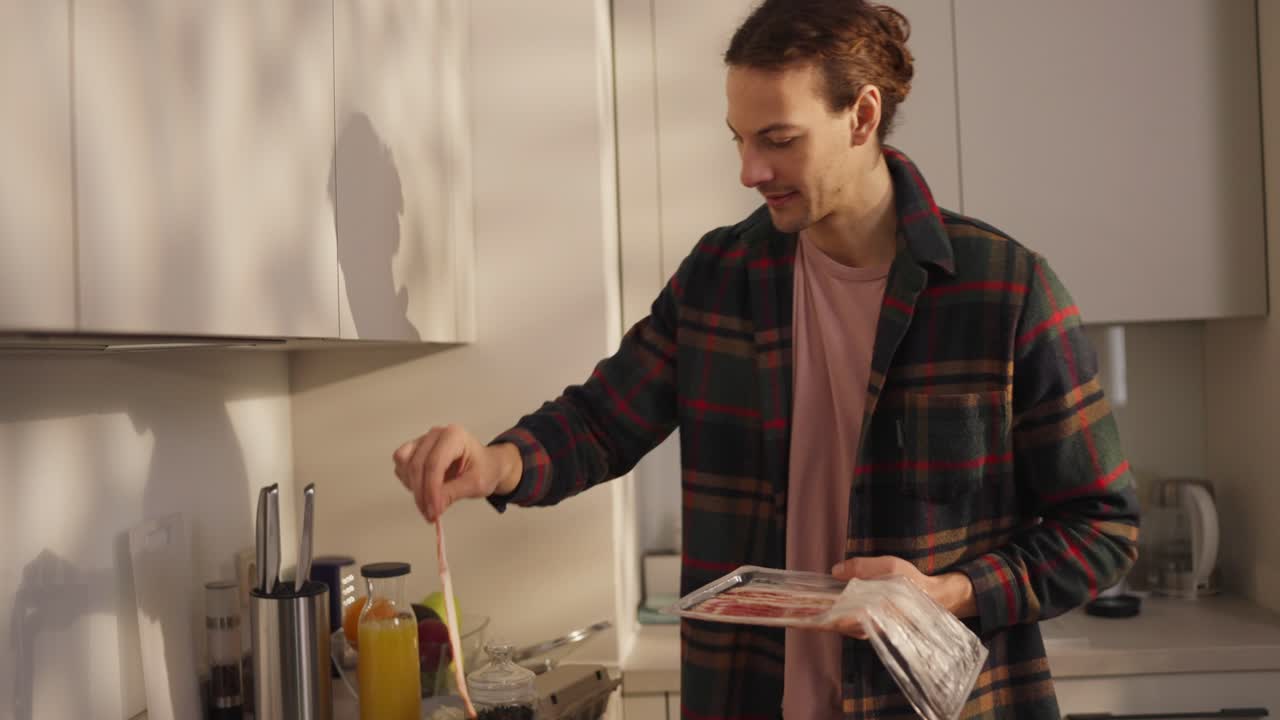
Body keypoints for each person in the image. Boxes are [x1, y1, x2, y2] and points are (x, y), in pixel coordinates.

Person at [393, 1, 1140, 717]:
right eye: (739, 140)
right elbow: (600, 422)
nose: (750, 170)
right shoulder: (722, 276)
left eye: (779, 140)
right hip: (747, 697)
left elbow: (1102, 529)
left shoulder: (1005, 290)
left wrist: (949, 591)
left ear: (863, 116)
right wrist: (490, 464)